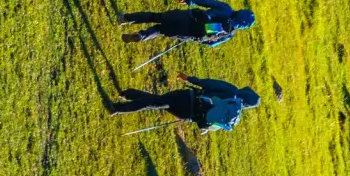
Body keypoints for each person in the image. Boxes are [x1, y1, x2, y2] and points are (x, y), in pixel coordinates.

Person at [106, 75, 260, 132]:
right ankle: (128, 94)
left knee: (156, 103)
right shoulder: (233, 115)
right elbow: (210, 126)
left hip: (188, 98)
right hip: (189, 114)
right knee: (158, 102)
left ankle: (117, 108)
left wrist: (190, 79)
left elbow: (209, 83)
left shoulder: (232, 91)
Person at [119, 0, 255, 46]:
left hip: (188, 17)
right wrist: (198, 38)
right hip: (189, 32)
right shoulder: (229, 34)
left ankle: (125, 18)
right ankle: (141, 36)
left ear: (241, 11)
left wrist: (190, 0)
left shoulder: (226, 8)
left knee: (156, 17)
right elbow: (212, 44)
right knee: (160, 30)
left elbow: (207, 2)